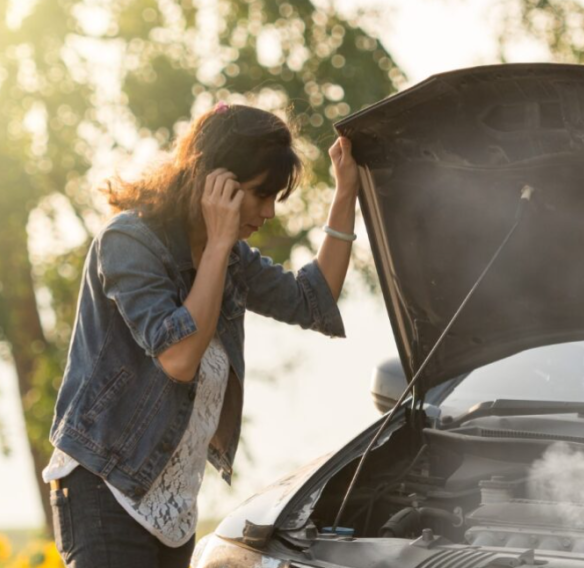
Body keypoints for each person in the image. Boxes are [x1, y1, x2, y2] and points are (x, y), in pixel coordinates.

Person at [41, 101, 359, 567]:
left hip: (173, 512)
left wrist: (347, 190)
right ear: (216, 183)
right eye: (260, 194)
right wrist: (220, 242)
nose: (269, 212)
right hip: (105, 489)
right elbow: (179, 358)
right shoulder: (129, 242)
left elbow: (313, 301)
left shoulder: (227, 257)